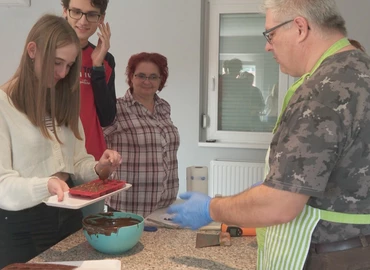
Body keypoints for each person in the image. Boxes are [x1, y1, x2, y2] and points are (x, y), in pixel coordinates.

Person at [168, 0, 370, 269]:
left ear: (300, 27)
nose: (267, 45)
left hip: (329, 256)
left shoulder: (322, 89)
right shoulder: (360, 70)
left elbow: (280, 206)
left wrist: (211, 208)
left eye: (271, 34)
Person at [0, 14, 121, 268]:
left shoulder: (64, 100)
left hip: (67, 217)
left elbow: (76, 163)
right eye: (57, 63)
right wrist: (48, 184)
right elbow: (3, 187)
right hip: (21, 225)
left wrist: (98, 168)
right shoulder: (4, 105)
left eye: (69, 65)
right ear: (32, 50)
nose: (63, 73)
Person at [104, 52, 180, 218]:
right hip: (128, 206)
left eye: (153, 77)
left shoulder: (164, 107)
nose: (147, 81)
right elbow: (94, 142)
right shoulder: (116, 108)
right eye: (141, 76)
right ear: (131, 77)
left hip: (165, 205)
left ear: (161, 80)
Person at [62, 0, 116, 216]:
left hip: (92, 159)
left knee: (90, 228)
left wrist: (96, 67)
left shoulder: (106, 59)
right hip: (57, 161)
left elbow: (107, 117)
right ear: (65, 11)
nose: (83, 21)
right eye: (76, 12)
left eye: (91, 14)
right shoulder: (50, 56)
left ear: (101, 18)